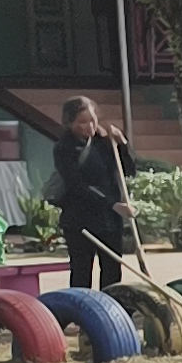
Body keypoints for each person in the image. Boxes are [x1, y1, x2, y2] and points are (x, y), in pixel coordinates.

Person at [54, 98, 134, 289]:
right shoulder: (65, 148)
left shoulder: (105, 143)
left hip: (109, 221)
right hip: (80, 221)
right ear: (69, 122)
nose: (89, 126)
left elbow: (129, 171)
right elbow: (77, 186)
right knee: (82, 272)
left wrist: (122, 144)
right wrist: (112, 203)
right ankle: (80, 314)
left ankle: (111, 313)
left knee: (112, 271)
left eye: (92, 120)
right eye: (82, 121)